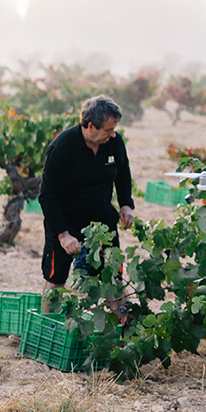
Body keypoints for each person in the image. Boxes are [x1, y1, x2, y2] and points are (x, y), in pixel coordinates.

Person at [38, 94, 135, 305]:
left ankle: (122, 332)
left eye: (114, 128)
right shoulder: (62, 148)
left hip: (102, 222)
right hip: (66, 223)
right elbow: (47, 196)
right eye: (108, 129)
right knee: (55, 281)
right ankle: (50, 329)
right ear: (90, 126)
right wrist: (63, 235)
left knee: (113, 279)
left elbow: (123, 173)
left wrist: (126, 203)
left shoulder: (114, 143)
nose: (113, 134)